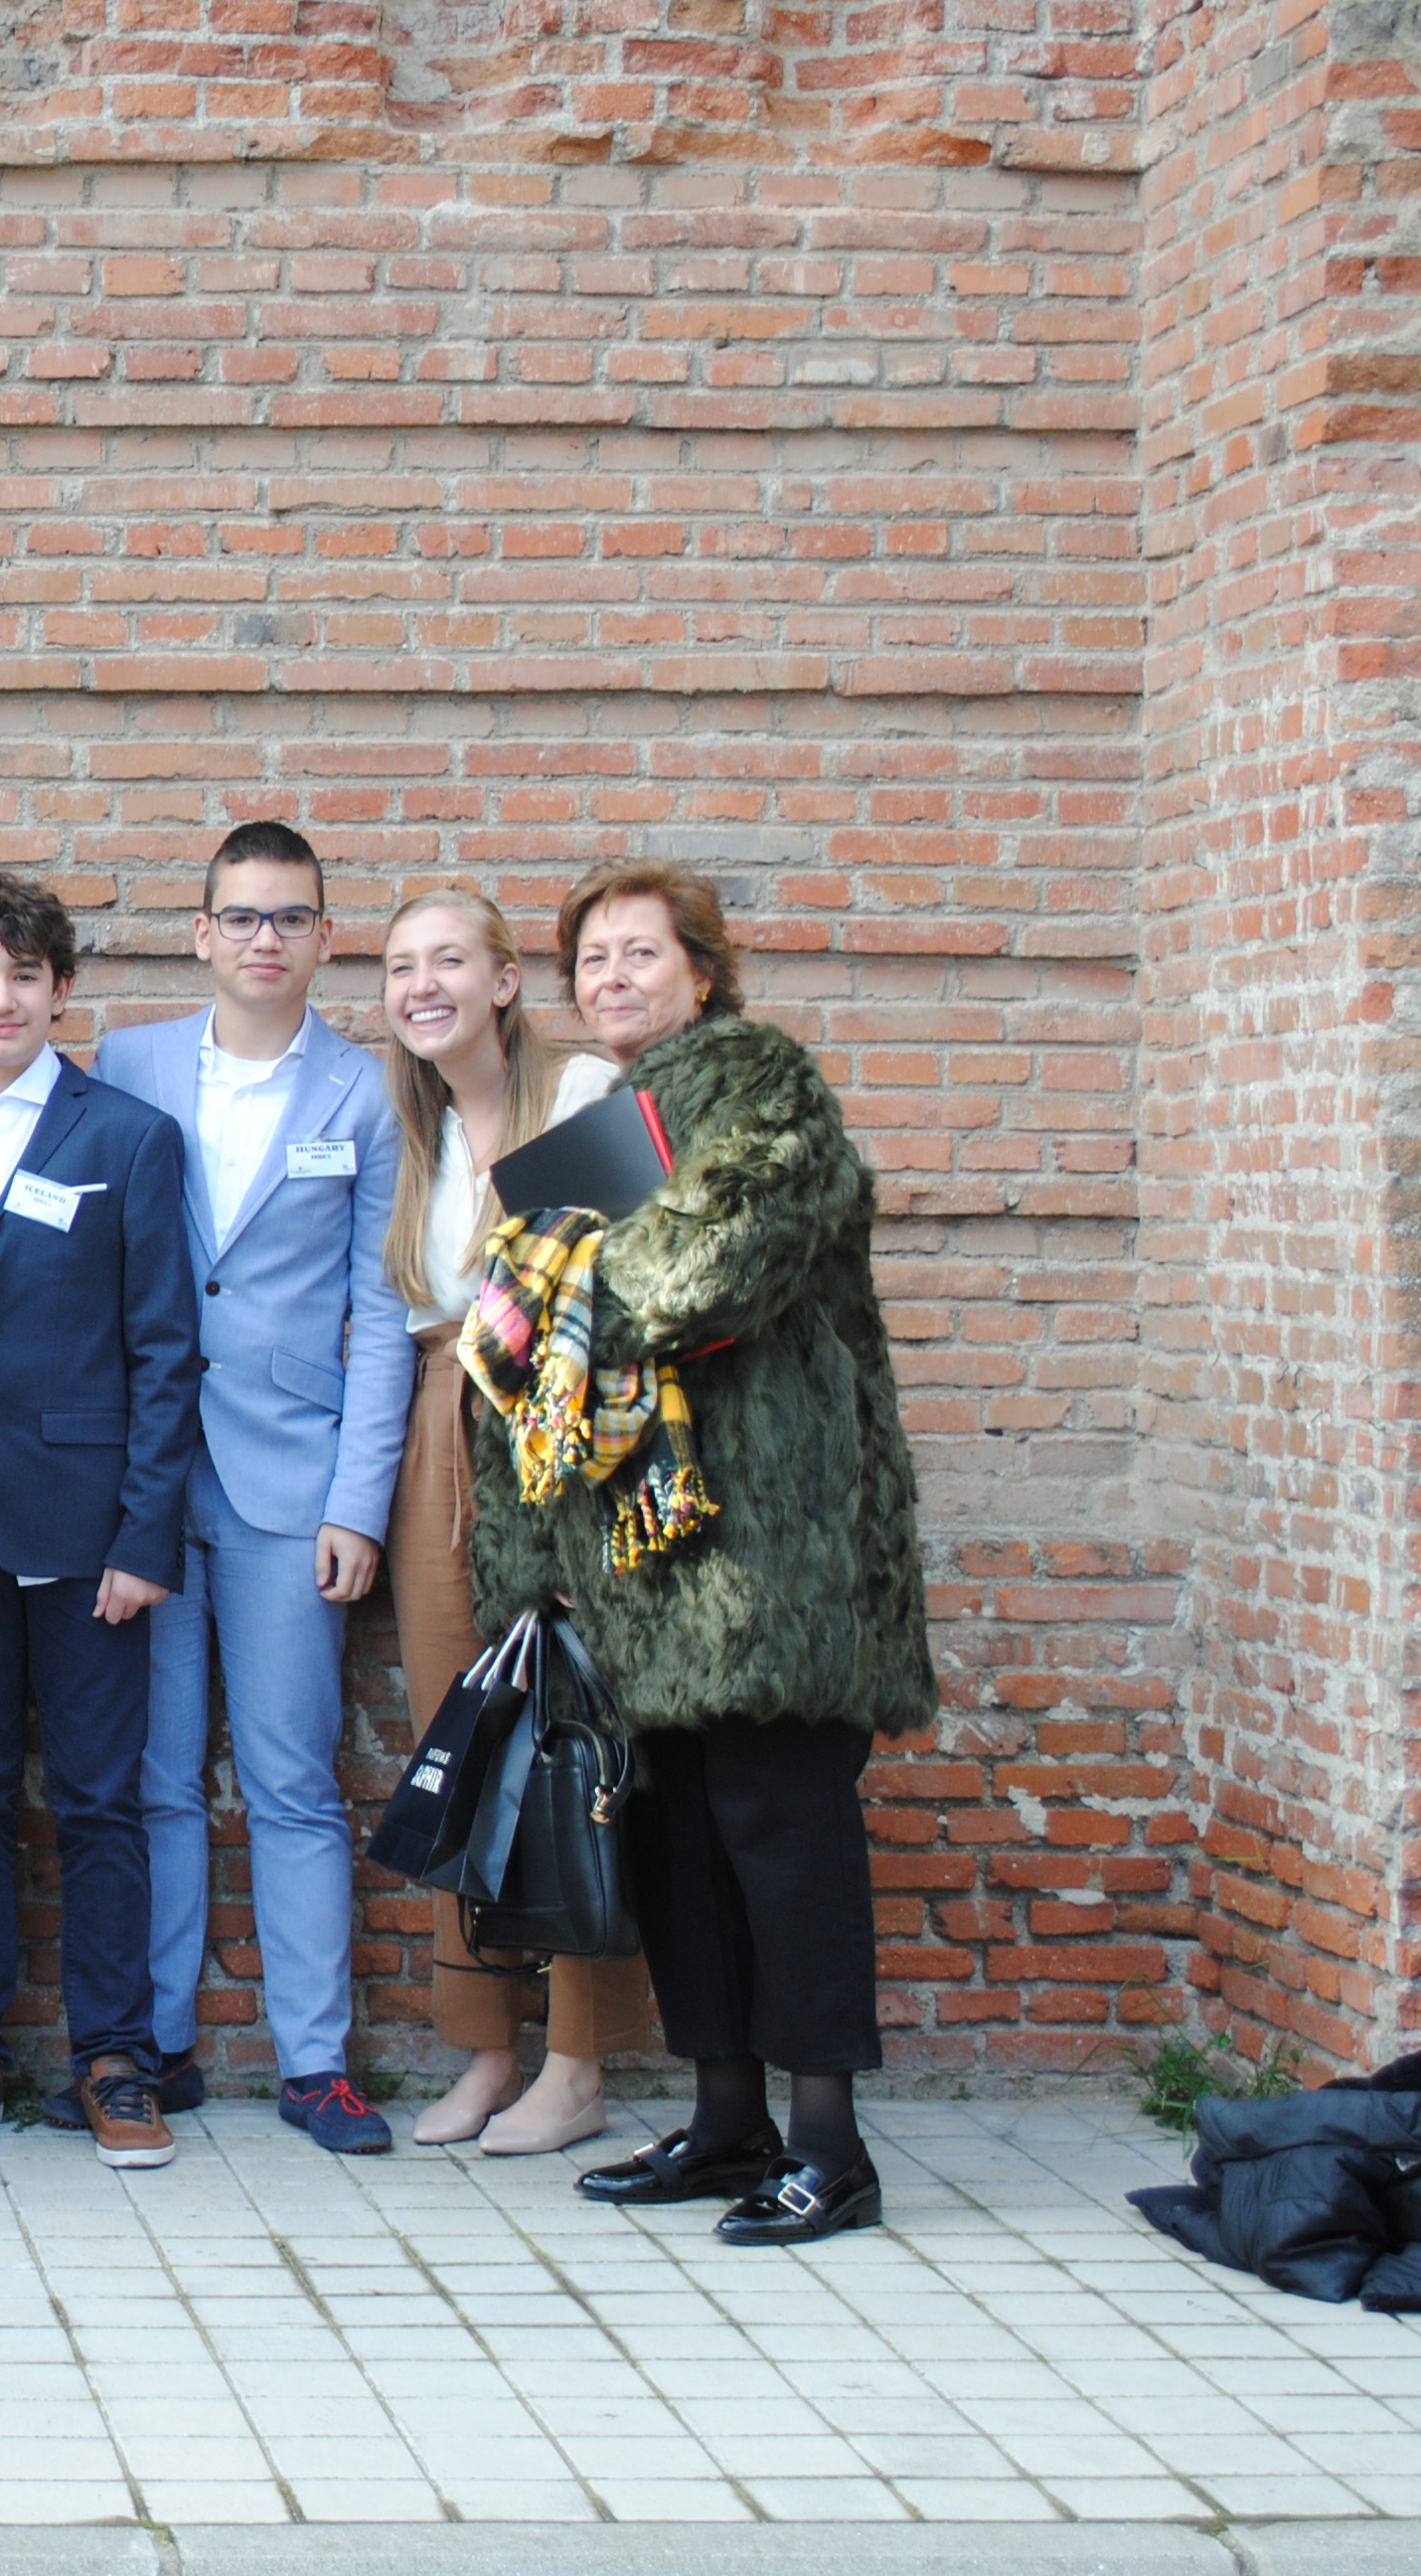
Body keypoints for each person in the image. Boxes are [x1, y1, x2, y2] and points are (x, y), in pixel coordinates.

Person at [470, 864, 932, 2247]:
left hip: (771, 1555)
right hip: (637, 1556)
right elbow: (509, 1356)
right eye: (591, 959)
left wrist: (557, 1277)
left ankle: (830, 2147)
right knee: (677, 1845)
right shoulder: (604, 1131)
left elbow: (703, 1271)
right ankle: (727, 2119)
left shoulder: (763, 1091)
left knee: (783, 1839)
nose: (611, 978)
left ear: (703, 973)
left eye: (640, 954)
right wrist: (529, 1557)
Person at [89, 820, 412, 2156]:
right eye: (242, 916)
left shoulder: (367, 1095)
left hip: (293, 1479)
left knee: (290, 1777)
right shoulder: (128, 1064)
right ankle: (159, 2047)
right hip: (150, 1475)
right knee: (157, 1776)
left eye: (290, 917)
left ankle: (315, 2063)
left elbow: (383, 1313)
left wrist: (357, 1503)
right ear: (202, 933)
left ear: (324, 938)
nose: (264, 938)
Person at [0, 876, 203, 2166]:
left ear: (61, 990)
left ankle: (116, 2060)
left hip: (85, 1529)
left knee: (100, 1800)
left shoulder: (128, 1138)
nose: (0, 998)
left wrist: (143, 1535)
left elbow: (164, 1349)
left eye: (23, 975)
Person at [375, 888, 658, 2156]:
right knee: (457, 1736)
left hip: (557, 1431)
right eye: (400, 967)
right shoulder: (410, 1128)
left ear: (501, 981)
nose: (421, 985)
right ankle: (484, 2046)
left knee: (573, 1739)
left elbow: (631, 1292)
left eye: (448, 960)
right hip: (439, 1427)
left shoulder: (583, 1092)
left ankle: (579, 2059)